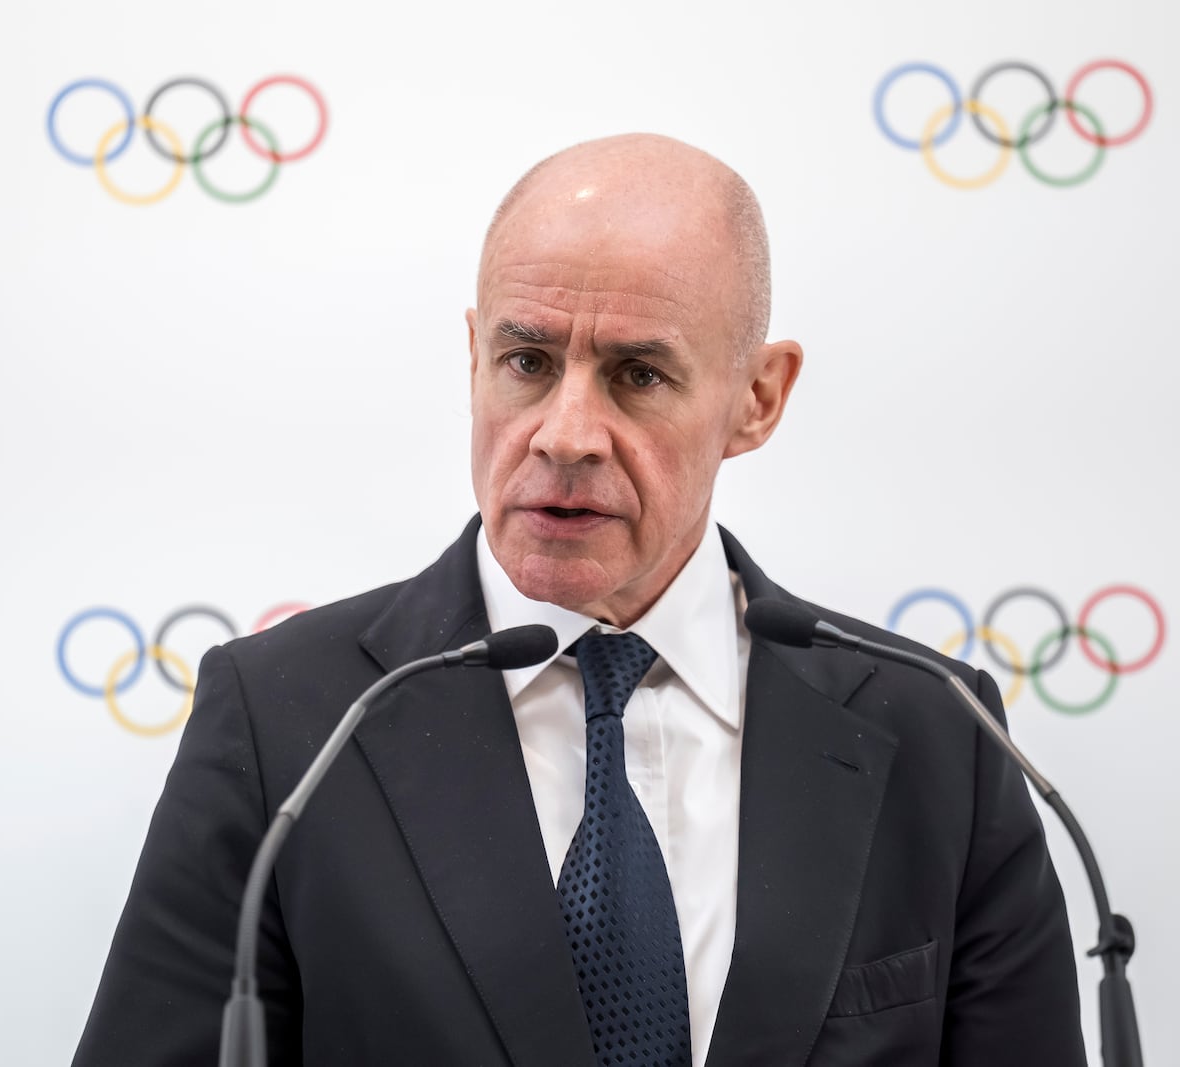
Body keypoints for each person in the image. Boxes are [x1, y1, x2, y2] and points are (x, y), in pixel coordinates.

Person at [71, 134, 1086, 1066]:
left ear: (757, 397)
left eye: (638, 375)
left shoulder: (937, 730)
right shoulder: (285, 713)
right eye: (528, 361)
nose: (565, 432)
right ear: (473, 356)